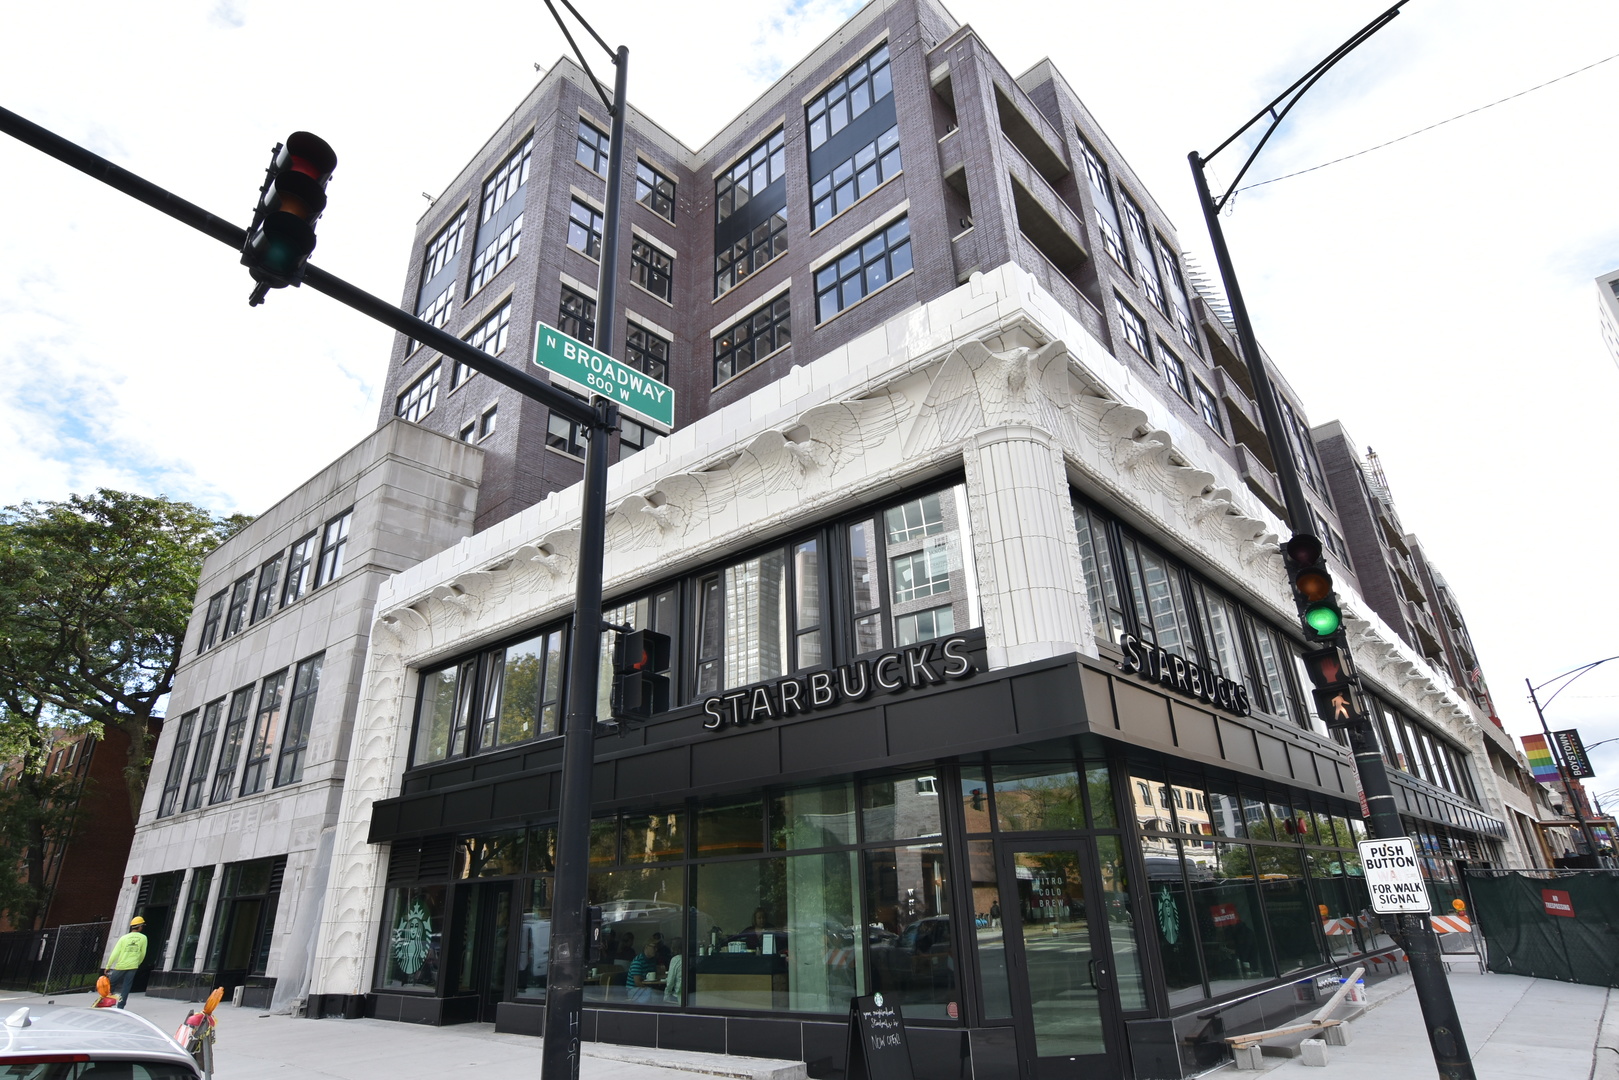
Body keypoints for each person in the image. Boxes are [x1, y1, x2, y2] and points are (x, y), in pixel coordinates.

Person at [104, 916, 148, 1009]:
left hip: (121, 966)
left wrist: (108, 966)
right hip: (133, 966)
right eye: (142, 926)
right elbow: (142, 953)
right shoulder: (143, 938)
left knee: (111, 984)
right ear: (139, 926)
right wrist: (138, 963)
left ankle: (107, 1001)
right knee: (126, 987)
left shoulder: (124, 938)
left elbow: (115, 953)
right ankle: (120, 1006)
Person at [663, 938, 685, 1004]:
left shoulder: (676, 959)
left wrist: (666, 996)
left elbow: (670, 981)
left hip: (678, 996)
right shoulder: (688, 958)